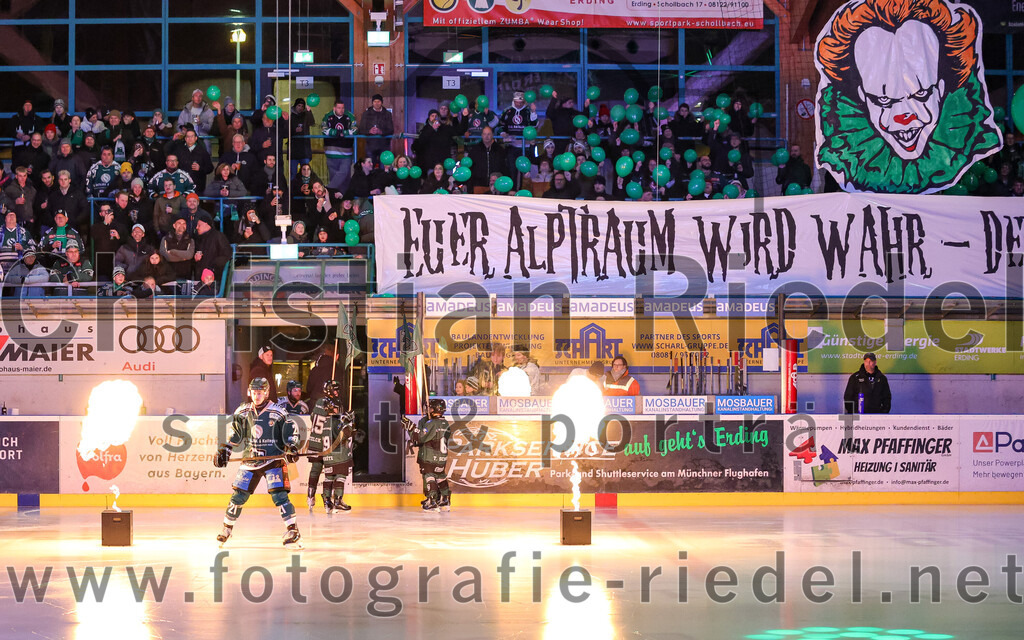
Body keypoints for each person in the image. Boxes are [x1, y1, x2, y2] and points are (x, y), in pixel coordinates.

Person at [212, 377, 303, 549]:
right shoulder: (242, 411)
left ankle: (293, 531)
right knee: (238, 496)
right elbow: (236, 434)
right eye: (254, 393)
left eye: (260, 393)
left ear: (267, 393)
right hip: (250, 459)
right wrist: (226, 448)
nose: (257, 396)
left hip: (273, 460)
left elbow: (290, 433)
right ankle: (226, 529)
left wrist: (291, 447)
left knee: (279, 496)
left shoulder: (278, 412)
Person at [403, 398, 453, 512]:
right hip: (442, 457)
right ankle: (445, 498)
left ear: (434, 409)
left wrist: (409, 426)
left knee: (429, 476)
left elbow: (420, 437)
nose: (428, 409)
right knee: (440, 476)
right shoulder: (445, 423)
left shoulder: (432, 423)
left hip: (430, 456)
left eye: (430, 407)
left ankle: (432, 500)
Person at [306, 379, 340, 510]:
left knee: (315, 469)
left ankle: (310, 497)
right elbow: (335, 423)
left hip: (315, 439)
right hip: (326, 440)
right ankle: (327, 500)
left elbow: (312, 417)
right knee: (329, 471)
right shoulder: (332, 403)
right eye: (335, 389)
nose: (337, 392)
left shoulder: (319, 402)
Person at [321, 100, 358, 196]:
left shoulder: (349, 116)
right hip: (331, 152)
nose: (341, 110)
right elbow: (324, 129)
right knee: (334, 176)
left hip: (346, 153)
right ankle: (336, 199)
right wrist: (335, 133)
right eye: (339, 108)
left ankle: (327, 190)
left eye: (342, 108)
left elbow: (355, 130)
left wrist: (343, 133)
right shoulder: (328, 116)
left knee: (344, 174)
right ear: (334, 108)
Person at [358, 93, 394, 164]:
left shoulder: (387, 114)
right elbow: (361, 129)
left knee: (384, 169)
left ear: (381, 102)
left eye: (378, 101)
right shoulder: (366, 114)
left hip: (384, 146)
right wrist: (369, 131)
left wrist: (381, 132)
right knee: (370, 169)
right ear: (372, 103)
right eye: (375, 101)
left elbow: (391, 129)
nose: (376, 103)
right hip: (370, 146)